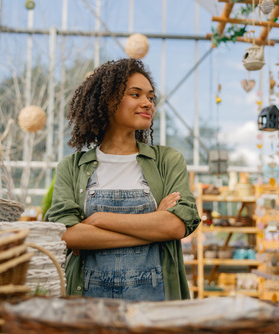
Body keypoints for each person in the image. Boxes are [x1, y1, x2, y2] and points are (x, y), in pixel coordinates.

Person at [44, 58, 200, 301]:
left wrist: (97, 220)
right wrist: (152, 228)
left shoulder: (167, 160)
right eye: (135, 94)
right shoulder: (72, 167)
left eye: (150, 97)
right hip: (88, 305)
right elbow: (67, 234)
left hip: (155, 308)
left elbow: (175, 226)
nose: (147, 103)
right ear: (107, 101)